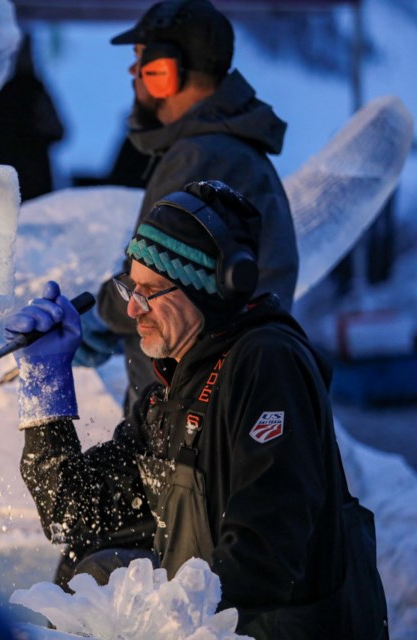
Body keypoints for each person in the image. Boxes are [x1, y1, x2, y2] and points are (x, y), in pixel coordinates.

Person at [5, 181, 388, 639]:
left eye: (149, 291)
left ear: (205, 289)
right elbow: (73, 512)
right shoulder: (173, 392)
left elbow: (266, 551)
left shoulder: (267, 363)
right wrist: (46, 388)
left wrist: (155, 618)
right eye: (131, 287)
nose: (132, 309)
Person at [87, 0, 298, 416]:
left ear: (166, 70)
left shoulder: (201, 157)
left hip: (191, 401)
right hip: (212, 392)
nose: (134, 75)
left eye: (140, 61)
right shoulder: (225, 149)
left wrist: (98, 315)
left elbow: (155, 280)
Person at [0, 34, 65, 201]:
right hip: (22, 171)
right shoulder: (28, 92)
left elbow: (58, 131)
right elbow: (58, 131)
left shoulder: (12, 93)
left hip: (22, 171)